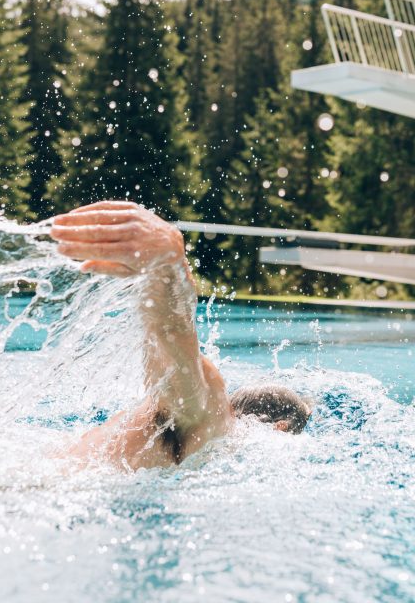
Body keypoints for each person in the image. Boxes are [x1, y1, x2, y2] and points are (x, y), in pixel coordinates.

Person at [50, 201, 311, 469]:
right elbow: (172, 333)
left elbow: (160, 342)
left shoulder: (204, 428)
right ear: (280, 429)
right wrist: (169, 264)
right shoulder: (214, 419)